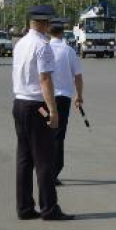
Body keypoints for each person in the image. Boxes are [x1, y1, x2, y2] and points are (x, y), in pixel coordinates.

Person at [11, 5, 72, 221]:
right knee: (45, 159)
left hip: (19, 103)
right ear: (45, 23)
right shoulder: (42, 46)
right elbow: (45, 79)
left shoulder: (20, 44)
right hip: (37, 105)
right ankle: (49, 208)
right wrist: (53, 110)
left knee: (24, 159)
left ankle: (25, 207)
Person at [48, 18, 84, 186]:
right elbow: (78, 76)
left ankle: (44, 170)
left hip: (44, 99)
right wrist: (79, 96)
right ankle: (53, 171)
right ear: (62, 33)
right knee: (58, 134)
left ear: (49, 32)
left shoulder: (44, 49)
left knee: (45, 134)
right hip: (62, 99)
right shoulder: (68, 51)